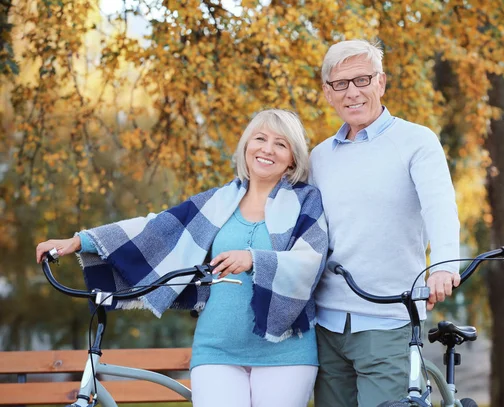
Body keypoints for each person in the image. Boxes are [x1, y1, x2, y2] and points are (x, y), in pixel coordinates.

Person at [35, 109, 329, 407]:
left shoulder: (306, 201)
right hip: (216, 350)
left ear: (292, 158)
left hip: (286, 351)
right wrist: (78, 241)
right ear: (246, 146)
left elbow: (310, 262)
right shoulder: (217, 202)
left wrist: (254, 259)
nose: (267, 149)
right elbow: (155, 228)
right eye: (260, 138)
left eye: (280, 143)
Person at [309, 39, 461, 407]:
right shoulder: (318, 157)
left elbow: (439, 207)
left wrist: (442, 265)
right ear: (328, 93)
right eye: (340, 84)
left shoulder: (416, 141)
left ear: (381, 82)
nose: (352, 92)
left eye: (362, 79)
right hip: (325, 323)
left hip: (388, 318)